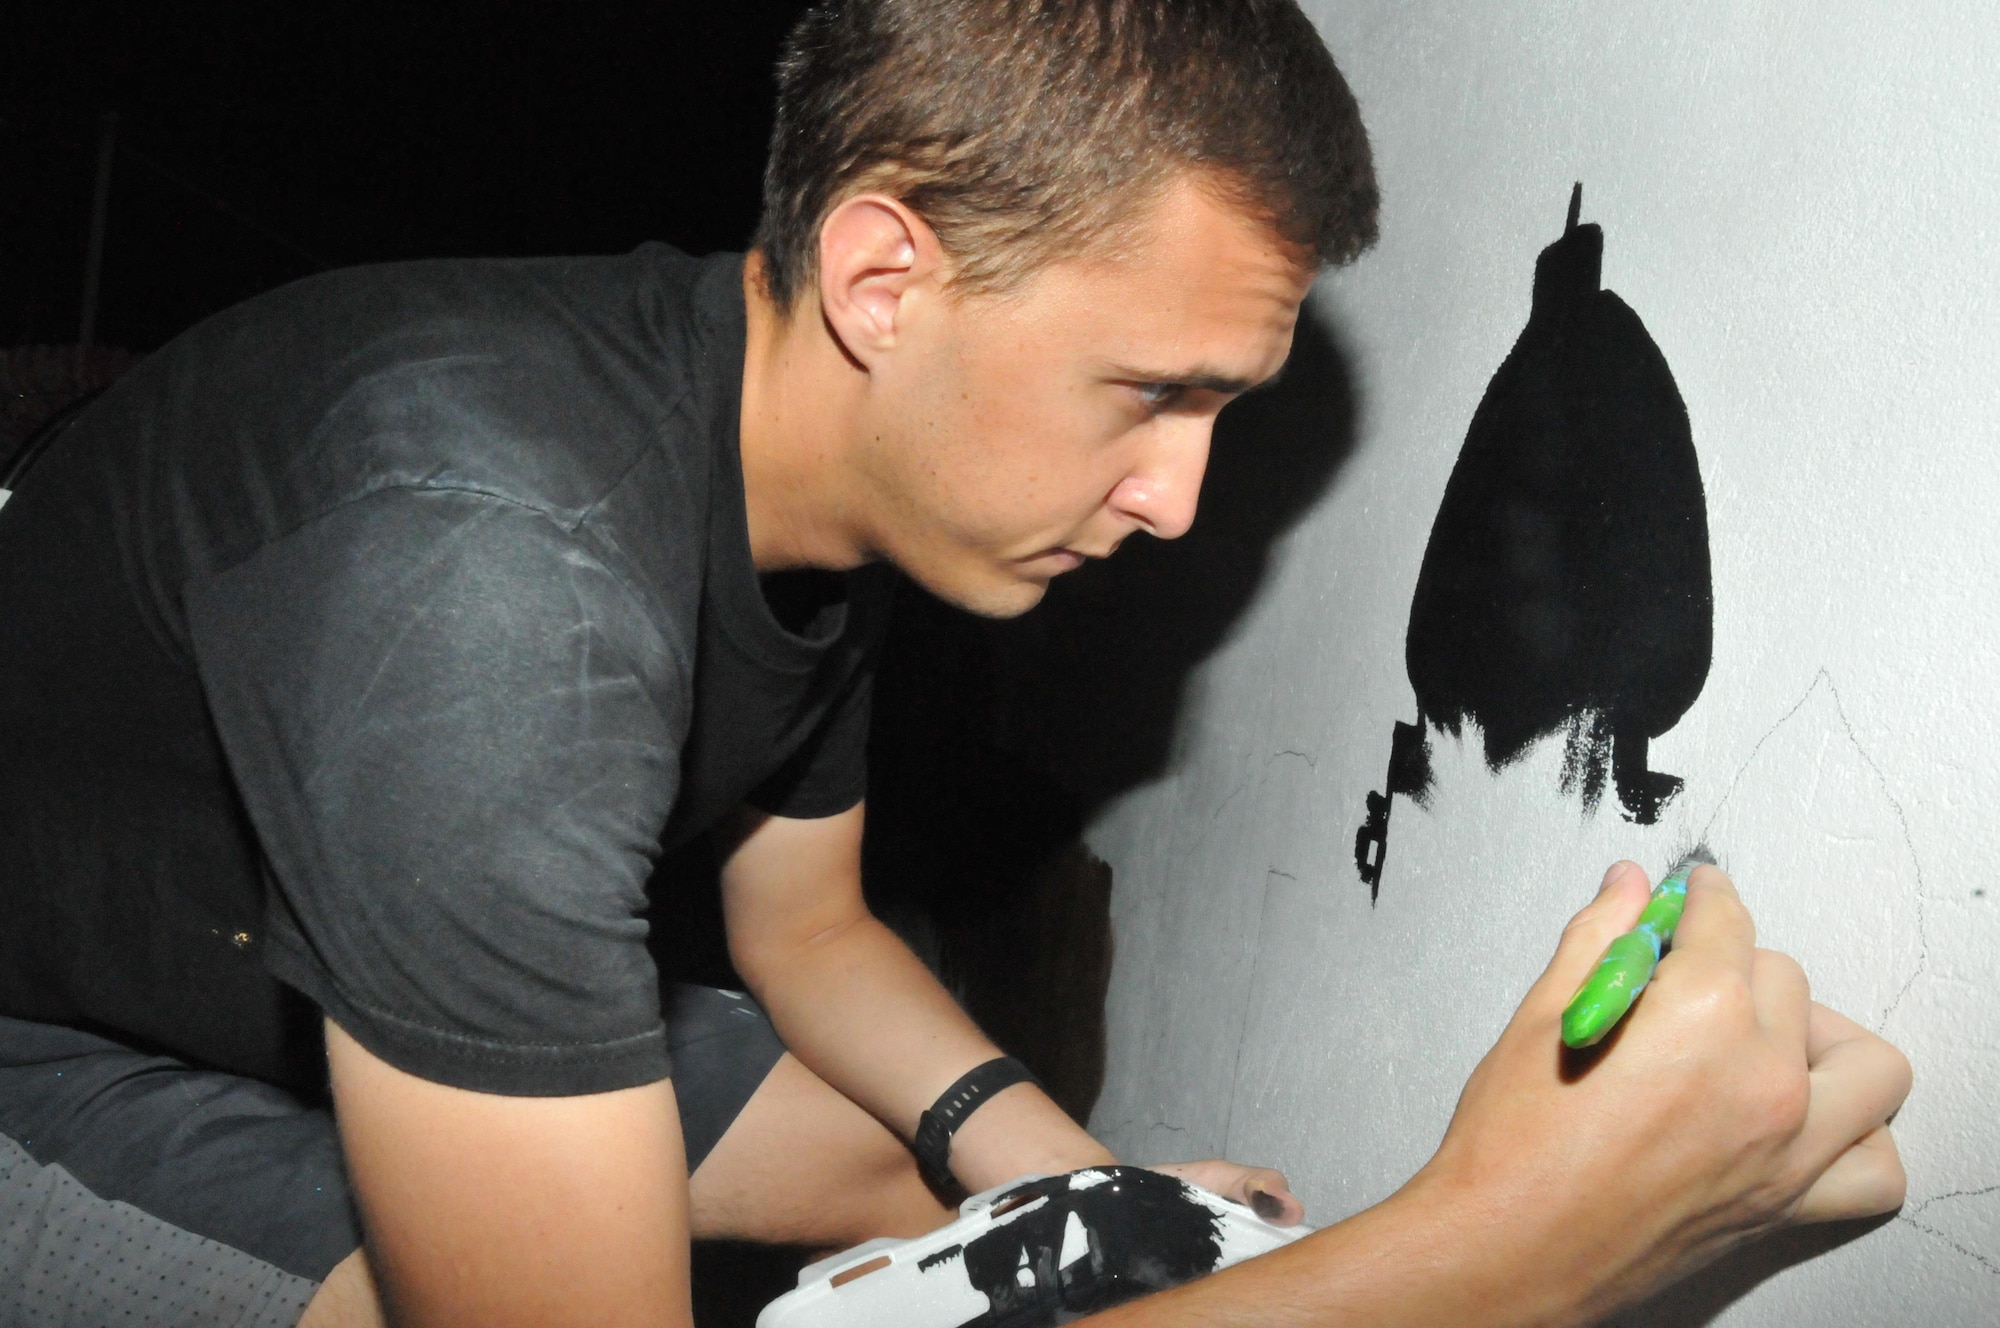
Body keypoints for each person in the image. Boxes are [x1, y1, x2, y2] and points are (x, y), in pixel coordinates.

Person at [0, 2, 1909, 1326]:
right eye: (1155, 395)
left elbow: (808, 930)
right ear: (886, 279)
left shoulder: (804, 458)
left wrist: (1111, 1207)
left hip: (300, 937)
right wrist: (1497, 1264)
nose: (1178, 500)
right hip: (45, 1054)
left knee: (1008, 1226)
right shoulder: (497, 591)